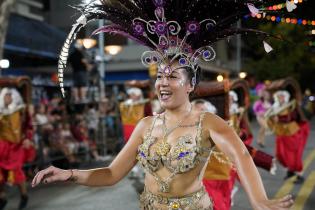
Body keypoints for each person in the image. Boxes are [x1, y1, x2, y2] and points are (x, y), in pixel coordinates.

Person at [33, 1, 294, 209]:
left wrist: (260, 200)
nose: (162, 83)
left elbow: (242, 155)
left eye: (172, 76)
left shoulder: (207, 123)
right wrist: (69, 174)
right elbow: (112, 174)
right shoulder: (146, 124)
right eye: (159, 76)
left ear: (190, 85)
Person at [0, 88, 35, 210]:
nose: (7, 97)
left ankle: (24, 196)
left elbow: (29, 126)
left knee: (16, 172)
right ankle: (2, 198)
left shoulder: (21, 110)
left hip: (16, 145)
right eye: (5, 95)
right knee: (0, 173)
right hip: (2, 145)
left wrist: (27, 138)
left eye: (9, 95)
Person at [265, 90, 310, 183]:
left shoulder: (291, 106)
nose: (280, 98)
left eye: (282, 96)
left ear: (285, 97)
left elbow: (293, 118)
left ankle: (299, 174)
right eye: (278, 96)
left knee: (294, 155)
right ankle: (290, 170)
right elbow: (270, 119)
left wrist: (280, 118)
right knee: (280, 154)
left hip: (292, 134)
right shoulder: (275, 106)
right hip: (281, 133)